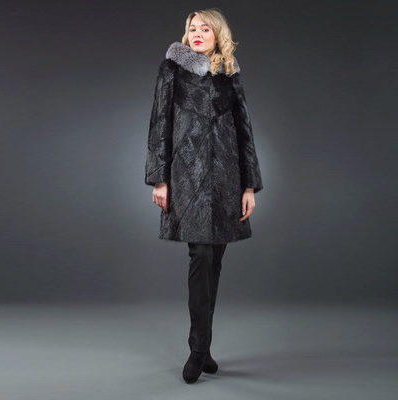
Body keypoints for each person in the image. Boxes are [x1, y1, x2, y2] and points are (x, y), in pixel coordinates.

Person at [144, 8, 263, 384]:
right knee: (201, 257)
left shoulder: (230, 72)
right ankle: (197, 350)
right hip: (187, 177)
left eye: (204, 29)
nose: (196, 33)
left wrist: (249, 185)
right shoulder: (173, 68)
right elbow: (160, 122)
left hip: (227, 179)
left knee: (214, 263)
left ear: (217, 34)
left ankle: (204, 347)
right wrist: (159, 179)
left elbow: (244, 129)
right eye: (192, 28)